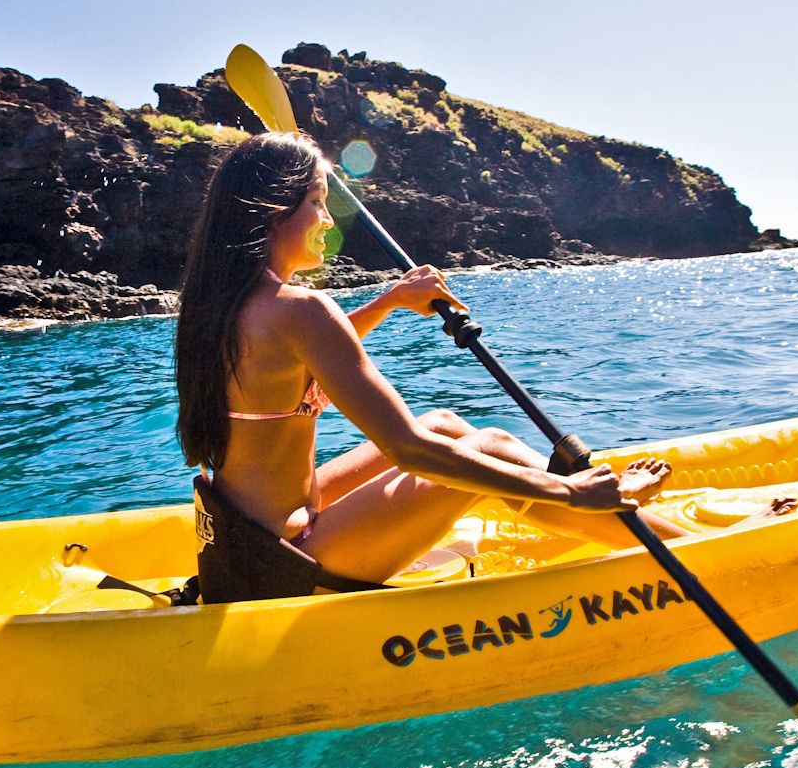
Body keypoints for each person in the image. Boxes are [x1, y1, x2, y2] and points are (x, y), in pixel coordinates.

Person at [175, 132, 699, 604]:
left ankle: (612, 513)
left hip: (242, 545)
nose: (329, 220)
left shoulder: (227, 304)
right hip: (283, 565)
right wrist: (571, 491)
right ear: (274, 210)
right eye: (316, 202)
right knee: (485, 444)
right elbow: (410, 451)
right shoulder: (302, 310)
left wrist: (389, 301)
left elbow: (298, 354)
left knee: (445, 423)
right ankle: (677, 542)